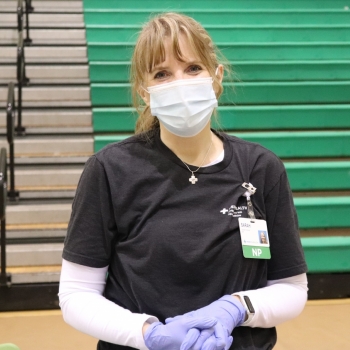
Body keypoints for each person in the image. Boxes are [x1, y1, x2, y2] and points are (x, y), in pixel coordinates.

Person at [59, 12, 308, 350]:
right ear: (145, 93)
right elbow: (77, 294)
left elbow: (291, 289)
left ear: (216, 77)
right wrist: (148, 334)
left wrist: (236, 308)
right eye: (162, 74)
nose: (180, 83)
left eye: (193, 68)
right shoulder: (109, 170)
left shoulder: (261, 168)